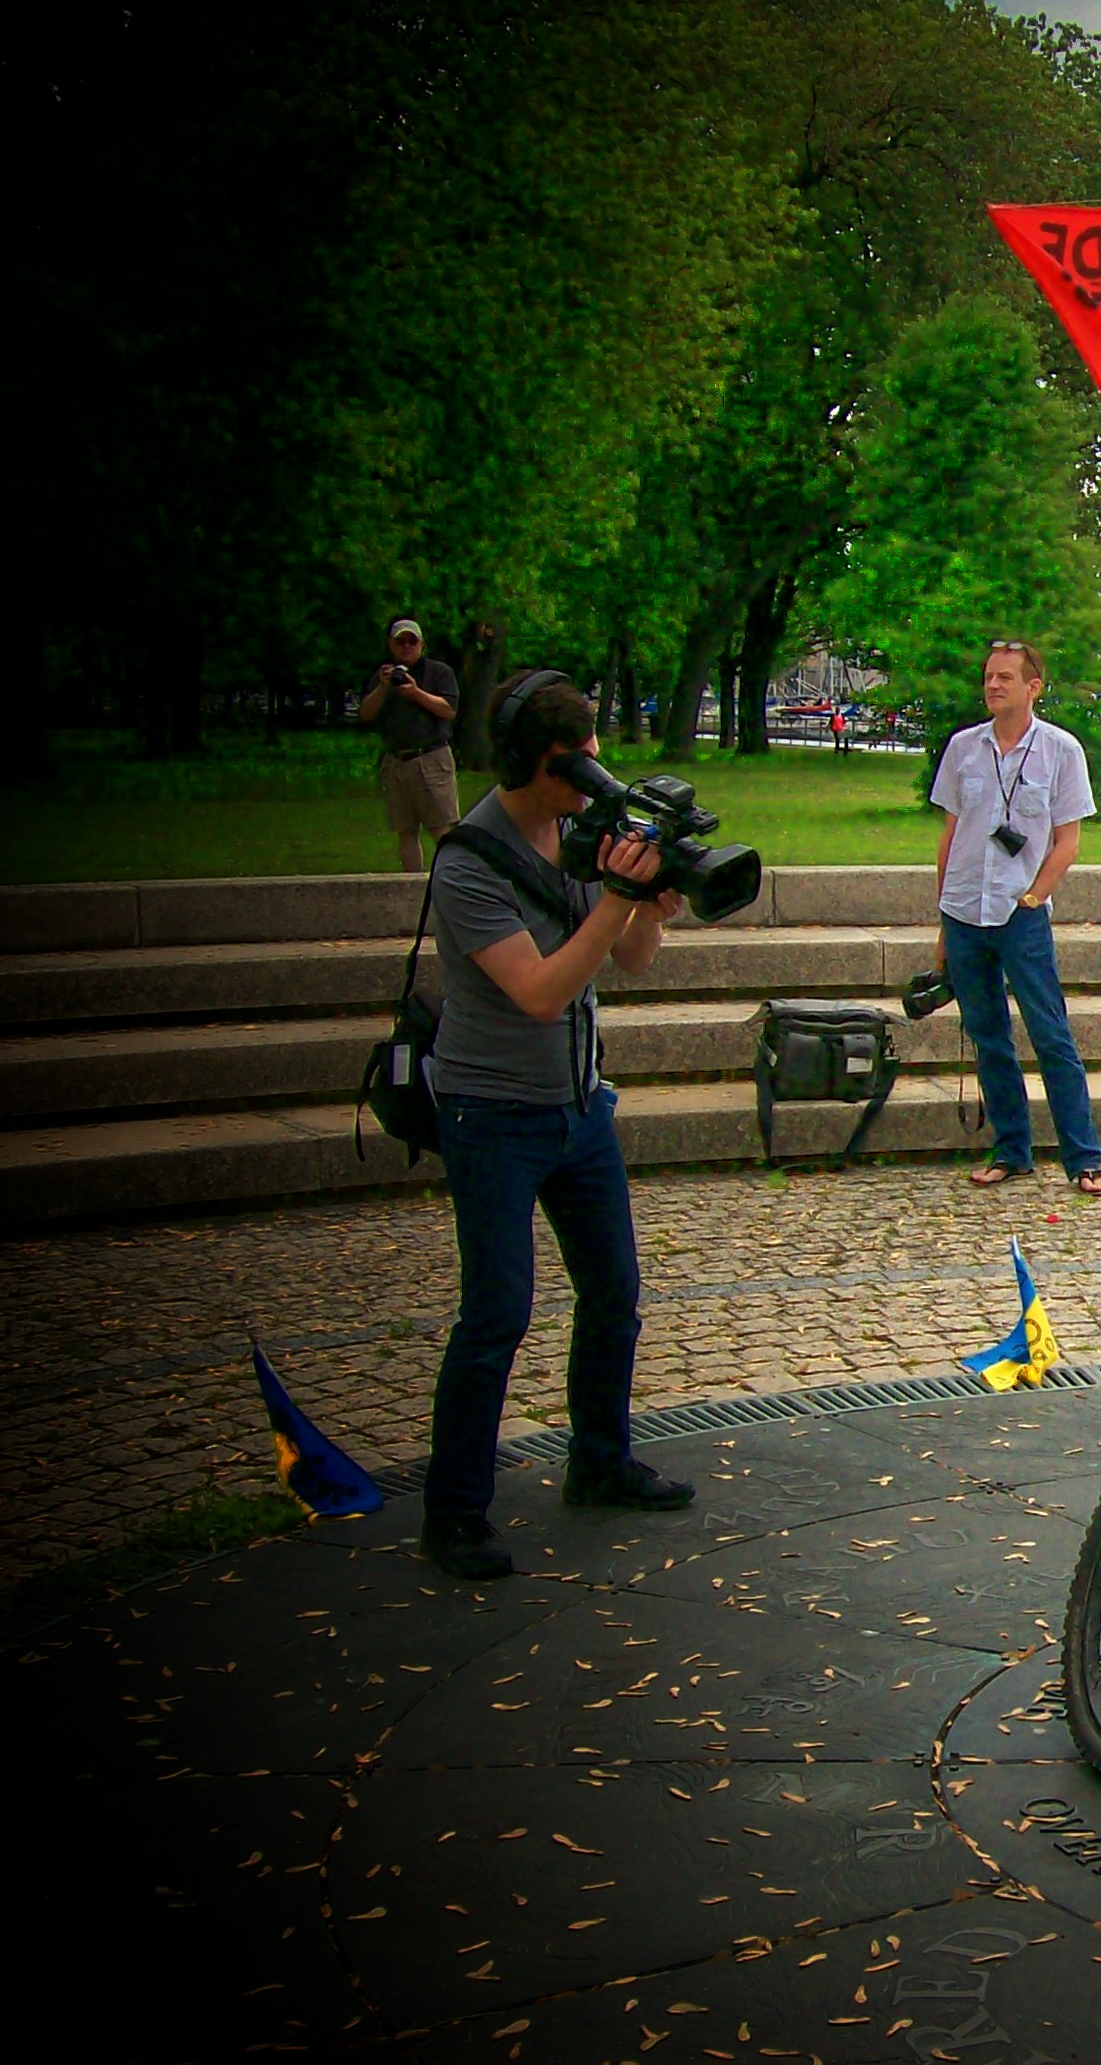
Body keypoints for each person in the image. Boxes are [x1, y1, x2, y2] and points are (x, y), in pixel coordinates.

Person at [418, 670, 692, 1579]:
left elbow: (633, 961)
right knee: (497, 1312)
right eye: (577, 764)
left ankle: (600, 1461)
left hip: (578, 1106)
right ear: (534, 763)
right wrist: (614, 897)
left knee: (614, 1293)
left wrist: (648, 904)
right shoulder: (466, 861)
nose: (592, 779)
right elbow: (538, 991)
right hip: (491, 1113)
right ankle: (455, 1512)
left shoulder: (579, 836)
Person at [928, 641, 1101, 1196]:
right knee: (988, 1037)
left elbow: (1068, 841)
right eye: (988, 676)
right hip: (965, 911)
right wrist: (942, 920)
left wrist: (1034, 897)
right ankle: (1011, 1151)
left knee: (1051, 1035)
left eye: (1005, 677)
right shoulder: (964, 748)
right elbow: (951, 836)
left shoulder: (1060, 750)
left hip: (1020, 913)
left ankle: (1084, 1158)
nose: (992, 685)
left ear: (1033, 687)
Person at [358, 616, 461, 871]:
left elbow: (449, 710)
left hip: (430, 757)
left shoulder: (439, 672)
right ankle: (411, 884)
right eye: (400, 641)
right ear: (390, 645)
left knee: (440, 827)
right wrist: (383, 687)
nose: (406, 646)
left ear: (421, 645)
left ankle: (453, 880)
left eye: (411, 641)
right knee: (405, 830)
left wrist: (416, 693)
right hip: (395, 761)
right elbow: (366, 714)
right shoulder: (382, 677)